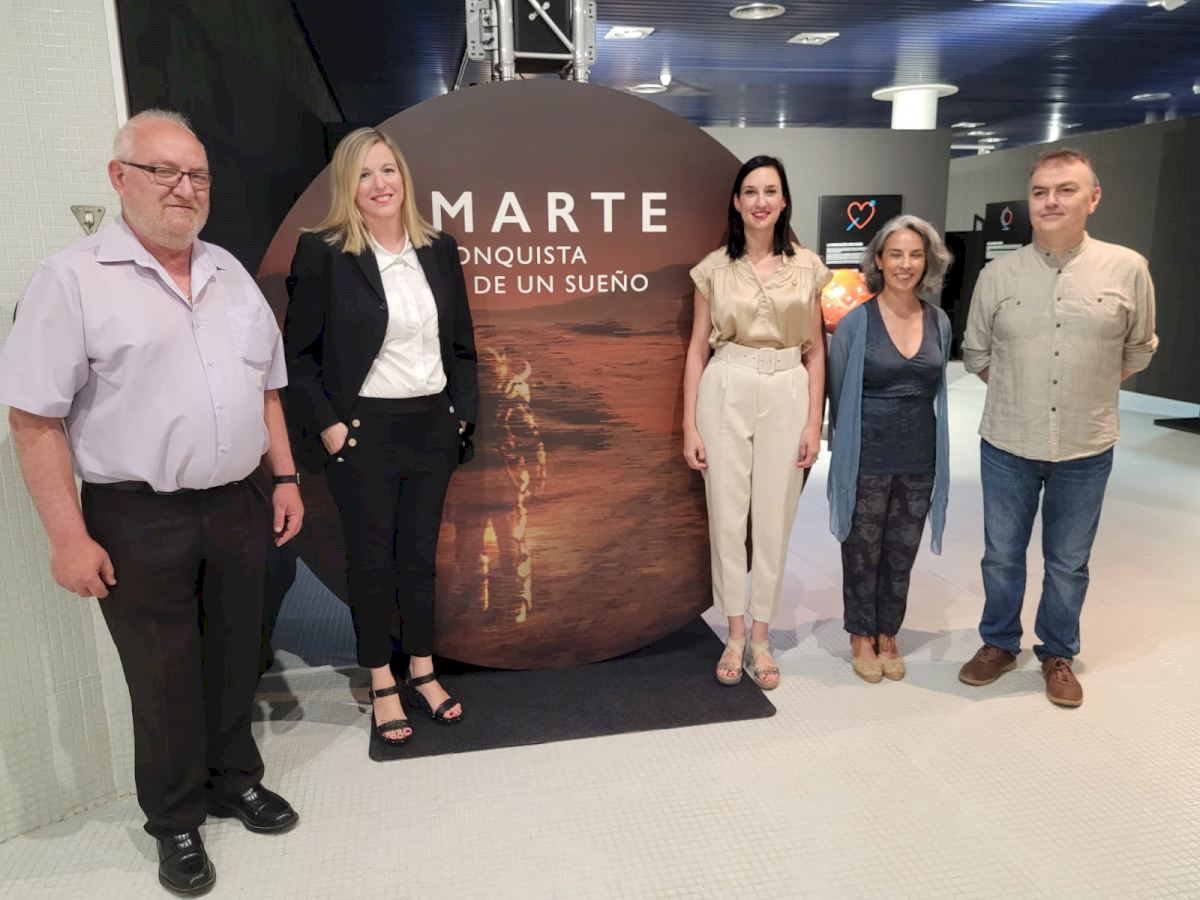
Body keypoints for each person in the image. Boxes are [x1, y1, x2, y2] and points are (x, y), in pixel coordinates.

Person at [0, 109, 303, 896]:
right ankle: (174, 821)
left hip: (237, 501)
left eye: (196, 174)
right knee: (163, 677)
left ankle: (234, 780)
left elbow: (267, 388)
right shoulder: (71, 279)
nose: (183, 188)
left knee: (236, 653)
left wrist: (286, 478)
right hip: (137, 515)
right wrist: (68, 538)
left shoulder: (229, 273)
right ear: (119, 177)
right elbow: (33, 418)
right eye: (163, 170)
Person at [284, 127, 478, 745]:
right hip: (362, 432)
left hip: (431, 428)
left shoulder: (439, 249)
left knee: (418, 560)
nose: (379, 184)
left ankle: (422, 670)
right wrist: (331, 427)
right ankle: (381, 680)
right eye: (364, 174)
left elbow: (462, 347)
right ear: (348, 185)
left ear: (404, 178)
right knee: (372, 564)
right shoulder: (322, 252)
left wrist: (460, 415)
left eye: (388, 170)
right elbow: (298, 356)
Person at [959, 148, 1158, 707]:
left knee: (1069, 562)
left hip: (1086, 444)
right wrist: (1021, 390)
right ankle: (998, 642)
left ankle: (1058, 652)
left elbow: (1138, 349)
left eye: (1066, 189)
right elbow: (977, 352)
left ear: (1093, 198)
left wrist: (1086, 390)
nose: (1051, 201)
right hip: (1008, 441)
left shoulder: (1128, 269)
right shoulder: (999, 274)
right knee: (1001, 555)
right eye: (1041, 191)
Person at [683, 155, 830, 690]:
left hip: (788, 384)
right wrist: (689, 425)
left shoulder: (809, 267)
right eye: (751, 191)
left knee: (775, 517)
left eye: (770, 191)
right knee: (727, 516)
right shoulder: (713, 269)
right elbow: (697, 348)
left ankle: (762, 636)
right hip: (727, 383)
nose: (760, 201)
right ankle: (735, 633)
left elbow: (816, 350)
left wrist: (814, 422)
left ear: (784, 200)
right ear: (737, 202)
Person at [827, 216, 953, 682]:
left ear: (927, 262)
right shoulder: (855, 324)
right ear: (878, 260)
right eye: (895, 254)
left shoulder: (939, 321)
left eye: (915, 255)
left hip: (920, 455)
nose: (905, 264)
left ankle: (888, 632)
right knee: (862, 549)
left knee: (902, 549)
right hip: (867, 456)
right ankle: (861, 633)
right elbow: (838, 397)